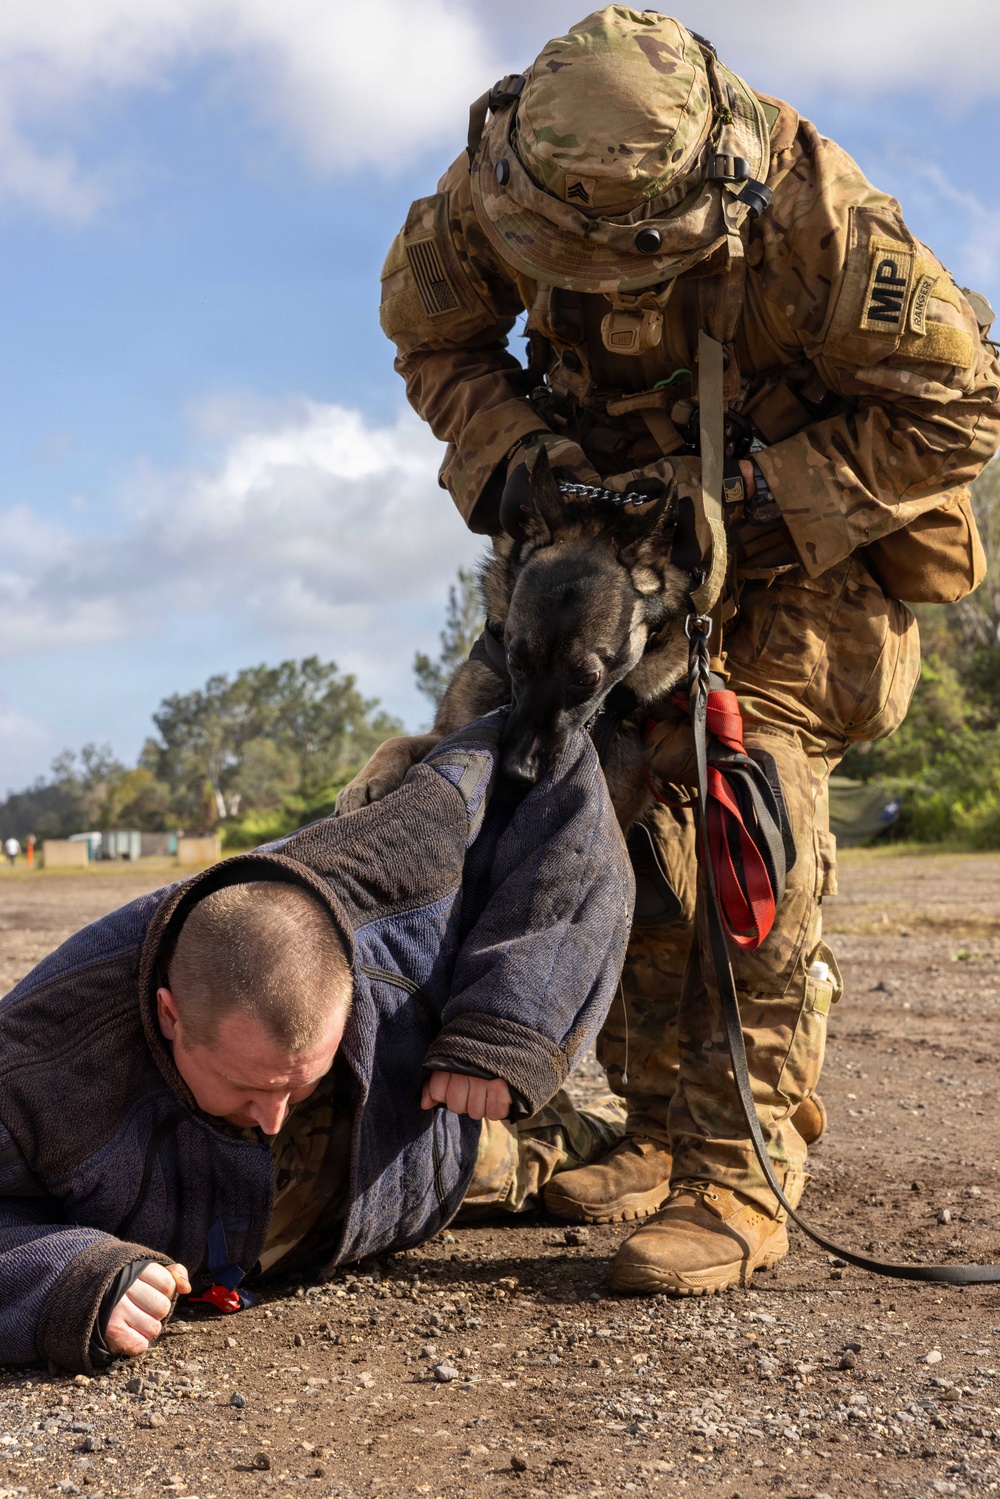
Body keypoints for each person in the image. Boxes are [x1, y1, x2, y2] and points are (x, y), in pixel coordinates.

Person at [377, 8, 1000, 1295]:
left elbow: (964, 405)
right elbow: (434, 341)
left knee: (736, 827)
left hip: (794, 567)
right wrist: (524, 463)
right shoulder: (488, 194)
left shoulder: (819, 222)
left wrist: (759, 499)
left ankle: (735, 1175)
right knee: (547, 808)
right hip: (605, 560)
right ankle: (640, 1131)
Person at [0, 714, 631, 1374]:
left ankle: (636, 1142)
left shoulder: (400, 851)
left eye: (297, 1084)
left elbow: (558, 758)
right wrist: (69, 1280)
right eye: (247, 1087)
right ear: (170, 1015)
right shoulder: (39, 1058)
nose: (274, 1118)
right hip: (268, 1211)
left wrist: (507, 1023)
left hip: (421, 1150)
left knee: (540, 1160)